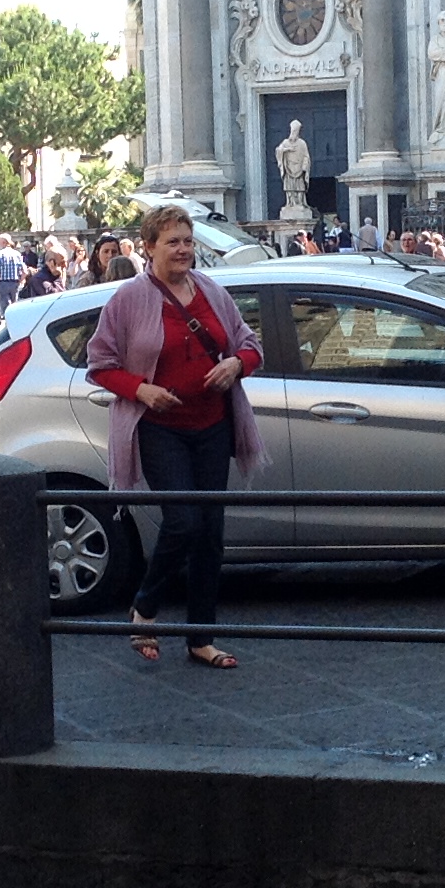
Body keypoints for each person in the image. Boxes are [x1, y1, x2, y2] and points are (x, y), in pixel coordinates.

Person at [86, 205, 269, 671]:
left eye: (187, 241)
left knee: (210, 534)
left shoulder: (211, 291)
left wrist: (237, 364)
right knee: (183, 522)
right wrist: (141, 389)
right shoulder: (129, 298)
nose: (183, 249)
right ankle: (146, 606)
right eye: (173, 242)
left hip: (213, 426)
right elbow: (100, 364)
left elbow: (250, 345)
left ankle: (200, 638)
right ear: (149, 248)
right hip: (160, 428)